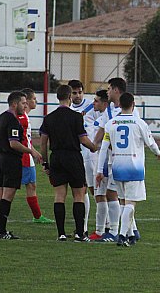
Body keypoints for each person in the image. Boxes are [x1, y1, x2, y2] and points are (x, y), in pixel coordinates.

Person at [96, 92, 160, 247]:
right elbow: (151, 143)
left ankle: (131, 234)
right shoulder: (139, 123)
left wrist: (100, 170)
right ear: (133, 104)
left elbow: (104, 148)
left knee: (124, 202)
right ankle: (122, 235)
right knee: (130, 203)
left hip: (117, 167)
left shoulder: (111, 124)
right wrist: (158, 153)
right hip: (134, 167)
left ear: (120, 104)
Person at [40, 84, 98, 242]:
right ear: (69, 97)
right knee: (78, 195)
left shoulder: (49, 118)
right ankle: (80, 233)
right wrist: (94, 147)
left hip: (57, 157)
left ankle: (61, 234)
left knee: (59, 195)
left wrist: (45, 162)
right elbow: (83, 139)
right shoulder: (76, 117)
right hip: (73, 157)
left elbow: (43, 143)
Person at [0, 91, 42, 239]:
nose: (25, 106)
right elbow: (14, 144)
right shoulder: (13, 121)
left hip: (0, 160)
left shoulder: (0, 118)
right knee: (7, 195)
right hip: (11, 160)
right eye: (23, 103)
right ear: (14, 104)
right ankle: (1, 231)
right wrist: (31, 151)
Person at [92, 77, 141, 242]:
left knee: (117, 195)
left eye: (109, 88)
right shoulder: (110, 109)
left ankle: (114, 231)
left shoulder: (131, 110)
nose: (107, 91)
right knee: (121, 196)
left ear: (116, 90)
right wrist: (93, 145)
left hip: (125, 161)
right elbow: (103, 130)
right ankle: (132, 231)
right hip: (112, 159)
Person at [18, 88, 53, 224]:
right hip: (24, 157)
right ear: (26, 101)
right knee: (29, 185)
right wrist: (31, 151)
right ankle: (38, 217)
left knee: (9, 186)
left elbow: (25, 140)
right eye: (33, 99)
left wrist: (34, 151)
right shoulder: (22, 118)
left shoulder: (23, 117)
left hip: (25, 155)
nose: (36, 101)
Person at [67, 79, 94, 237]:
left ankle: (109, 226)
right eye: (74, 93)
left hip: (91, 154)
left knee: (97, 191)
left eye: (80, 92)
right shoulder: (67, 108)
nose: (78, 96)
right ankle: (82, 228)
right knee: (80, 191)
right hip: (77, 155)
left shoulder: (92, 105)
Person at [85, 90, 113, 241]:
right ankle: (114, 228)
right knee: (112, 196)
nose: (93, 103)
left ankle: (100, 231)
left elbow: (97, 141)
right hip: (104, 160)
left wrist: (91, 145)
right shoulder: (107, 116)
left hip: (103, 161)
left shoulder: (106, 118)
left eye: (96, 101)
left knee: (100, 195)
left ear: (104, 103)